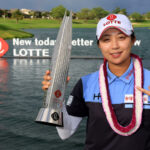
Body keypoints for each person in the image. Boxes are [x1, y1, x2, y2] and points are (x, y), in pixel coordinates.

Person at [42, 14, 150, 150]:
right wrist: (54, 99)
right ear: (99, 45)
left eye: (121, 37)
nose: (115, 46)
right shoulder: (86, 84)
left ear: (133, 40)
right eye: (106, 40)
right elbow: (65, 132)